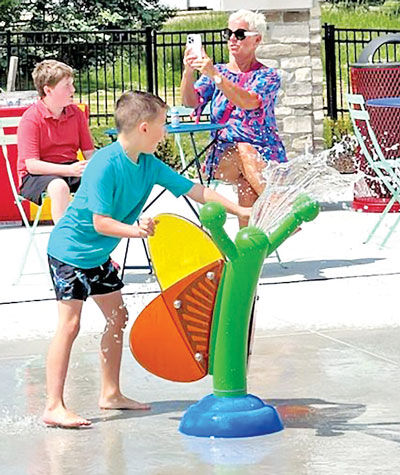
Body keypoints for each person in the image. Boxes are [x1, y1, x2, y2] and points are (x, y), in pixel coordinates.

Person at [44, 90, 251, 428]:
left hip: (97, 253)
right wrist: (137, 229)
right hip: (70, 251)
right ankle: (53, 406)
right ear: (143, 128)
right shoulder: (104, 164)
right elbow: (100, 222)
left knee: (117, 317)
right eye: (162, 124)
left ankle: (110, 393)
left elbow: (195, 191)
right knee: (70, 325)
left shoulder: (148, 164)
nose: (165, 131)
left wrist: (241, 208)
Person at [181, 9, 286, 227]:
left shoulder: (268, 76)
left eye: (239, 34)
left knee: (246, 183)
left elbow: (248, 101)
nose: (231, 39)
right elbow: (190, 102)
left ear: (256, 40)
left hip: (266, 154)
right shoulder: (217, 72)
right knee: (243, 149)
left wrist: (216, 77)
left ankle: (247, 249)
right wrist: (188, 72)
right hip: (223, 156)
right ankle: (281, 213)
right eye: (228, 33)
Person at [17, 60, 94, 223]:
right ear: (48, 90)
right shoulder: (31, 119)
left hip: (70, 167)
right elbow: (32, 165)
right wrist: (70, 171)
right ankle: (63, 240)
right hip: (36, 175)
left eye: (72, 84)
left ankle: (97, 231)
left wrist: (98, 170)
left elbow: (89, 153)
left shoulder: (76, 113)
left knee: (102, 180)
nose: (73, 90)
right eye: (67, 86)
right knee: (59, 187)